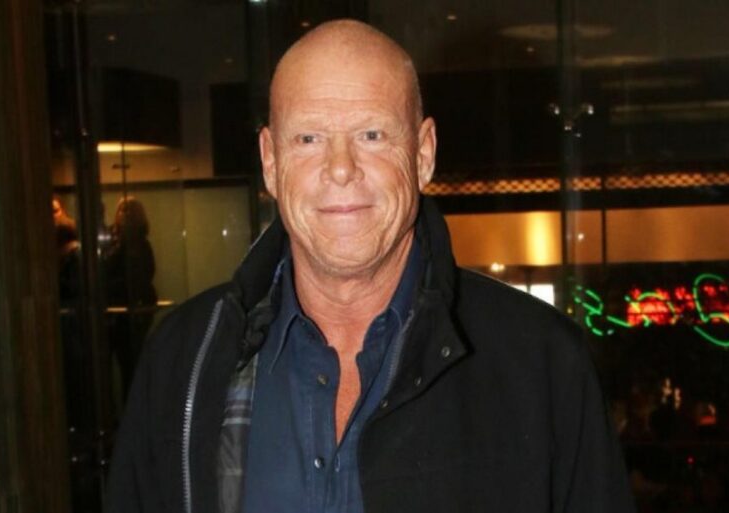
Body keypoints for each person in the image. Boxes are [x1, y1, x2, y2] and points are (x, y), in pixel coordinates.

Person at [107, 19, 634, 513]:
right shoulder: (185, 358)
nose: (340, 168)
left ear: (423, 153)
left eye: (372, 135)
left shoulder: (541, 365)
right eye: (309, 138)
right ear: (269, 160)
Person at [103, 196, 157, 403]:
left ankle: (130, 408)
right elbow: (106, 270)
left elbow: (145, 275)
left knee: (131, 366)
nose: (125, 214)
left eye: (129, 210)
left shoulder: (141, 244)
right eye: (122, 209)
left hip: (133, 310)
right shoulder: (112, 241)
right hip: (114, 310)